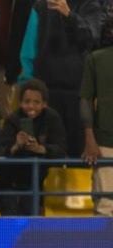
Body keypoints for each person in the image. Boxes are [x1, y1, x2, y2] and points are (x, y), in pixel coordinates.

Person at [31, 0, 103, 158]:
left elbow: (92, 37)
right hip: (46, 90)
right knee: (46, 152)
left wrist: (69, 15)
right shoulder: (40, 5)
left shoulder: (89, 4)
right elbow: (30, 44)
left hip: (76, 92)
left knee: (77, 153)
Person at [0, 79, 67, 215]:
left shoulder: (52, 118)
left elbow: (61, 150)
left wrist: (40, 149)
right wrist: (15, 146)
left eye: (36, 102)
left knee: (32, 222)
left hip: (36, 182)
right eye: (27, 101)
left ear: (44, 104)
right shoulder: (12, 120)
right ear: (21, 102)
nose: (31, 107)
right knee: (10, 222)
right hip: (11, 182)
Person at [82, 12, 113, 216]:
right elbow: (85, 99)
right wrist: (90, 139)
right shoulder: (96, 58)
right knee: (106, 207)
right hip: (105, 143)